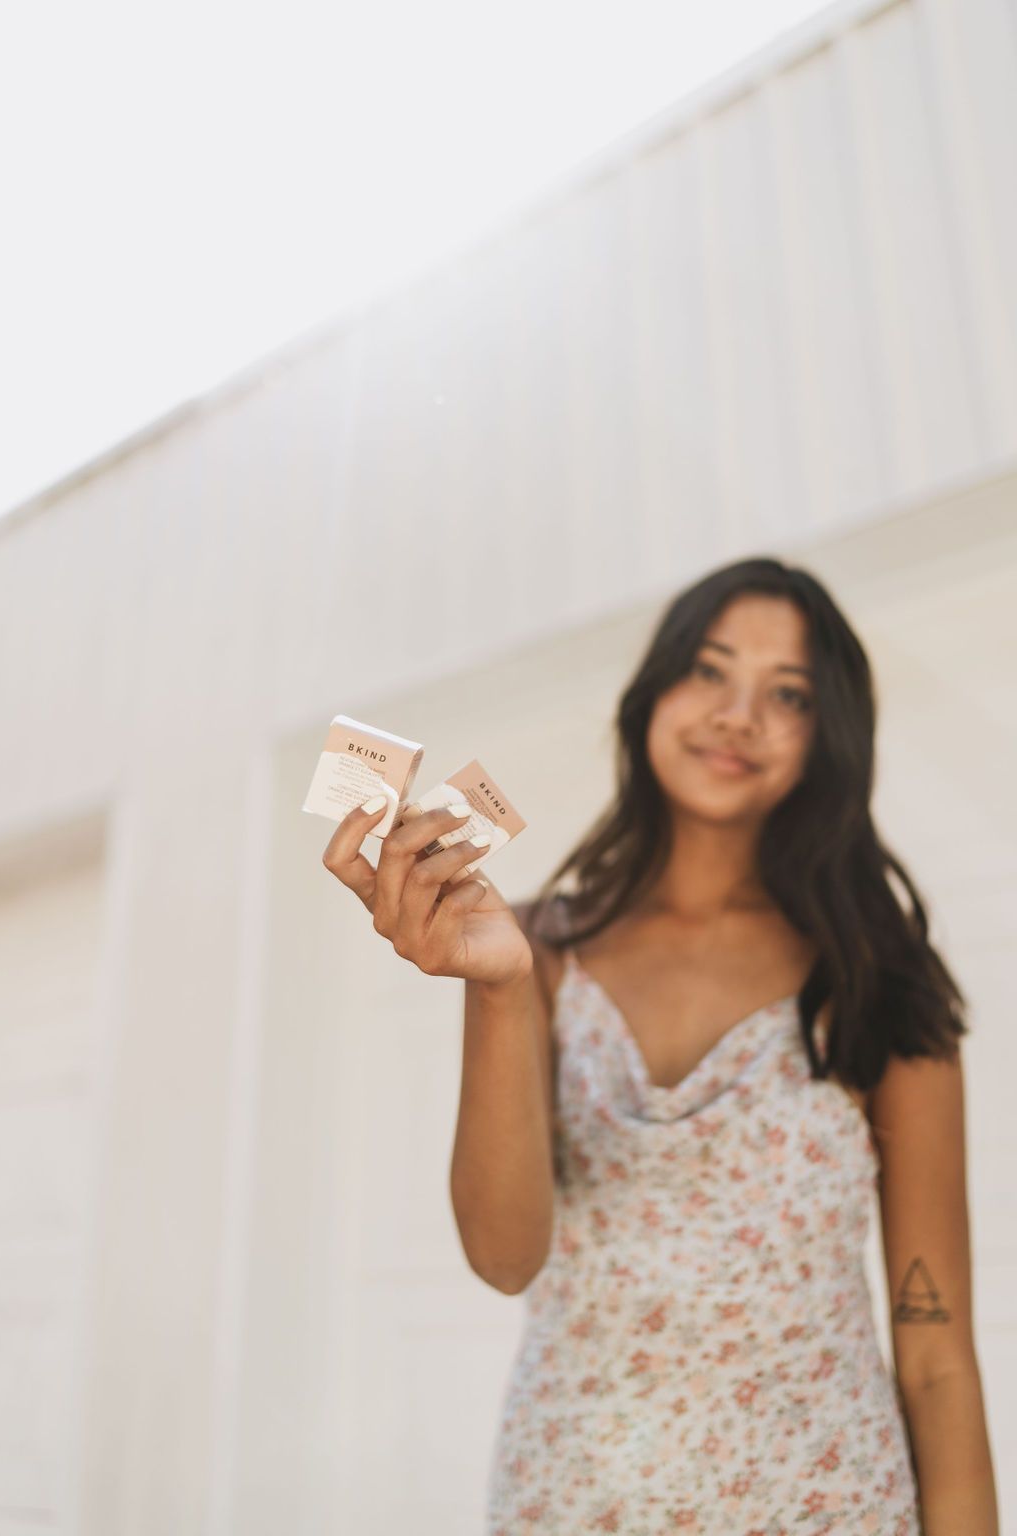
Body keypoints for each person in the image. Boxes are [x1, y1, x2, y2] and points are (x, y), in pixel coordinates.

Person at [322, 556, 999, 1534]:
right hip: (571, 1506)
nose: (738, 714)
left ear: (827, 737)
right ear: (653, 693)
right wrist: (501, 993)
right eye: (709, 671)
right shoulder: (536, 955)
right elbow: (504, 1258)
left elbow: (935, 1360)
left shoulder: (876, 983)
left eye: (789, 693)